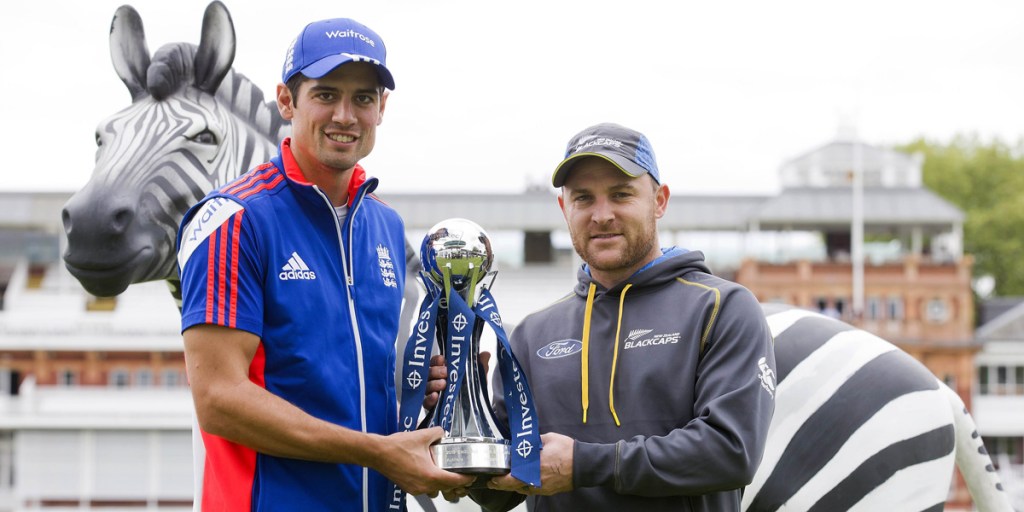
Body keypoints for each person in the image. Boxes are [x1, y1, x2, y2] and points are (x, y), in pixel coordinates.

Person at [176, 17, 473, 511]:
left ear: (382, 108)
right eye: (326, 94)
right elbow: (219, 399)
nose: (345, 115)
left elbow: (348, 374)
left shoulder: (385, 225)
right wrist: (378, 453)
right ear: (287, 101)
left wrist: (415, 384)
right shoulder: (231, 219)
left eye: (363, 98)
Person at [427, 122, 777, 511]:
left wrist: (584, 464)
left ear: (659, 201)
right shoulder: (533, 333)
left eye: (621, 194)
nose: (602, 215)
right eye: (584, 199)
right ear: (564, 208)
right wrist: (456, 415)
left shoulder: (720, 308)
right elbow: (499, 493)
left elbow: (731, 451)